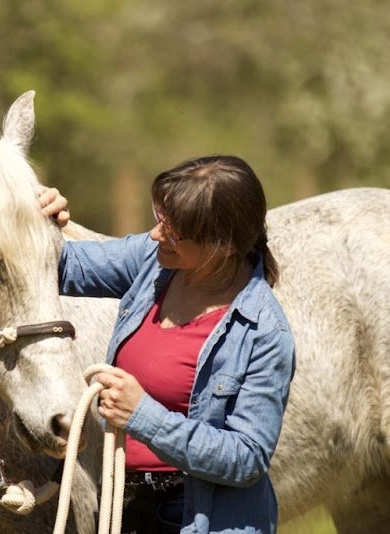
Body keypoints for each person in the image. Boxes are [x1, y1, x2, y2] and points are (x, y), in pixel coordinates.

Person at [39, 155, 296, 534]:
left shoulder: (265, 333)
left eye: (174, 232)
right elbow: (63, 267)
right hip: (125, 506)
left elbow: (246, 458)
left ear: (222, 245)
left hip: (198, 519)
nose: (157, 235)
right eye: (160, 219)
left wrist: (141, 415)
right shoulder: (154, 259)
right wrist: (33, 220)